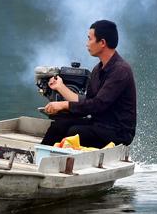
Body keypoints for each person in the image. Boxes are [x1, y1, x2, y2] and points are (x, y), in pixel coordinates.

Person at [41, 19, 137, 148]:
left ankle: (60, 162)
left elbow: (97, 105)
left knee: (75, 133)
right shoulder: (98, 70)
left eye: (89, 39)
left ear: (102, 42)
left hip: (118, 132)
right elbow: (88, 102)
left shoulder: (121, 70)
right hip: (99, 124)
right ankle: (38, 158)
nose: (87, 44)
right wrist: (60, 87)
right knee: (60, 125)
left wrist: (63, 105)